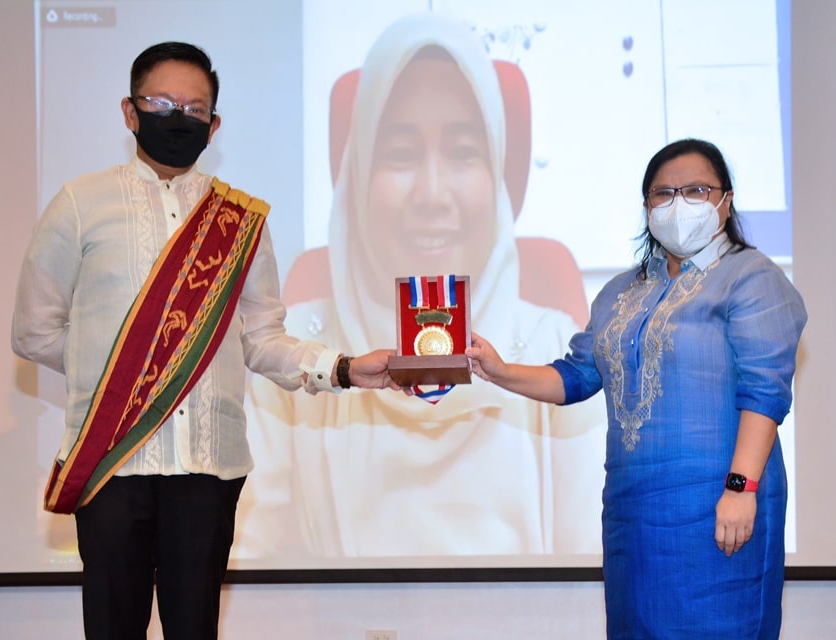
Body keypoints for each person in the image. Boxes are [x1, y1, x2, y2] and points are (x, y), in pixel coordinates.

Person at [11, 41, 398, 639]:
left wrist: (341, 367)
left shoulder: (241, 221)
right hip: (113, 465)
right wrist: (128, 378)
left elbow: (263, 338)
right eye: (161, 103)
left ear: (213, 126)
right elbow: (34, 332)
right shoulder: (78, 206)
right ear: (129, 111)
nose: (177, 118)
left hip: (208, 470)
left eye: (194, 110)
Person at [233, 13, 606, 562]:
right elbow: (251, 565)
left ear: (498, 174)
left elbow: (590, 572)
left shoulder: (557, 355)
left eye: (462, 153)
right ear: (357, 178)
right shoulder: (293, 359)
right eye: (402, 155)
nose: (433, 194)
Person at [466, 138, 807, 638]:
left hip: (719, 508)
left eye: (695, 190)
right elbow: (577, 375)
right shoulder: (621, 291)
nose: (677, 204)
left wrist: (742, 488)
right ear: (647, 206)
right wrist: (498, 370)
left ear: (725, 202)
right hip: (635, 515)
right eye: (663, 194)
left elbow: (765, 392)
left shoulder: (751, 277)